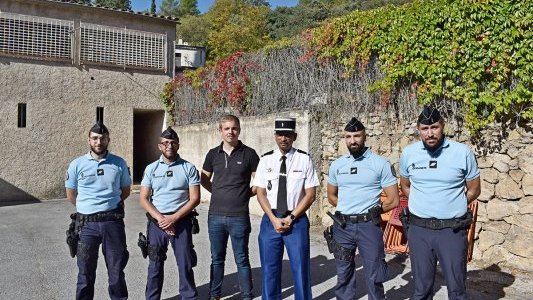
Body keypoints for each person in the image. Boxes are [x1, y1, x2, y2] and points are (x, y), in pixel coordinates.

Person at [399, 106, 481, 300]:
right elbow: (405, 186)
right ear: (418, 129)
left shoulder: (462, 153)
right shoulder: (409, 153)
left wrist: (453, 203)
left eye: (434, 127)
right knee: (421, 290)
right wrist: (424, 201)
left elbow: (474, 189)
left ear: (443, 126)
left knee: (456, 290)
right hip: (419, 230)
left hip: (451, 231)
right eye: (425, 129)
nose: (430, 133)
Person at [327, 117, 400, 300]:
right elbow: (331, 196)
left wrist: (372, 211)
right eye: (348, 136)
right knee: (343, 274)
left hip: (369, 226)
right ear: (344, 138)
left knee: (374, 275)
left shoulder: (380, 164)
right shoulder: (337, 165)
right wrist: (348, 209)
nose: (353, 140)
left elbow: (393, 200)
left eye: (357, 135)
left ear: (365, 136)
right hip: (342, 227)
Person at [254, 117, 319, 300]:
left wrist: (291, 217)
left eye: (288, 135)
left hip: (296, 221)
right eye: (280, 134)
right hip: (270, 220)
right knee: (269, 269)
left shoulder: (304, 159)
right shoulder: (266, 160)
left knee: (300, 269)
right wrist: (274, 219)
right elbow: (260, 193)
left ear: (295, 136)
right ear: (275, 136)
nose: (284, 138)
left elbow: (310, 194)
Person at [65, 122, 131, 300]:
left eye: (102, 138)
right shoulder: (77, 164)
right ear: (89, 140)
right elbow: (71, 193)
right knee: (85, 274)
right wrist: (87, 207)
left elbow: (125, 190)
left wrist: (108, 204)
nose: (99, 141)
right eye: (95, 138)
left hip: (112, 223)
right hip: (86, 226)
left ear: (108, 140)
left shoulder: (118, 163)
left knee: (116, 272)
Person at [201, 115, 260, 300]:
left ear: (239, 130)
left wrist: (244, 194)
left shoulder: (249, 154)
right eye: (226, 128)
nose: (230, 132)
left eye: (234, 128)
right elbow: (203, 178)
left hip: (239, 217)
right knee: (216, 259)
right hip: (215, 216)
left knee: (242, 259)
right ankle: (214, 295)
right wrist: (217, 191)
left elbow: (258, 182)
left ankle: (246, 295)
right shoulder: (212, 154)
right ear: (220, 131)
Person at [139, 127, 200, 300]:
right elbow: (144, 199)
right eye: (165, 143)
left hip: (181, 222)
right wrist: (161, 220)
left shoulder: (188, 168)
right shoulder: (151, 169)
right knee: (155, 266)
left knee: (185, 264)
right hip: (157, 224)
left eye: (173, 143)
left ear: (178, 145)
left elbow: (195, 198)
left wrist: (173, 218)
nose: (169, 146)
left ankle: (189, 297)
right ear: (160, 146)